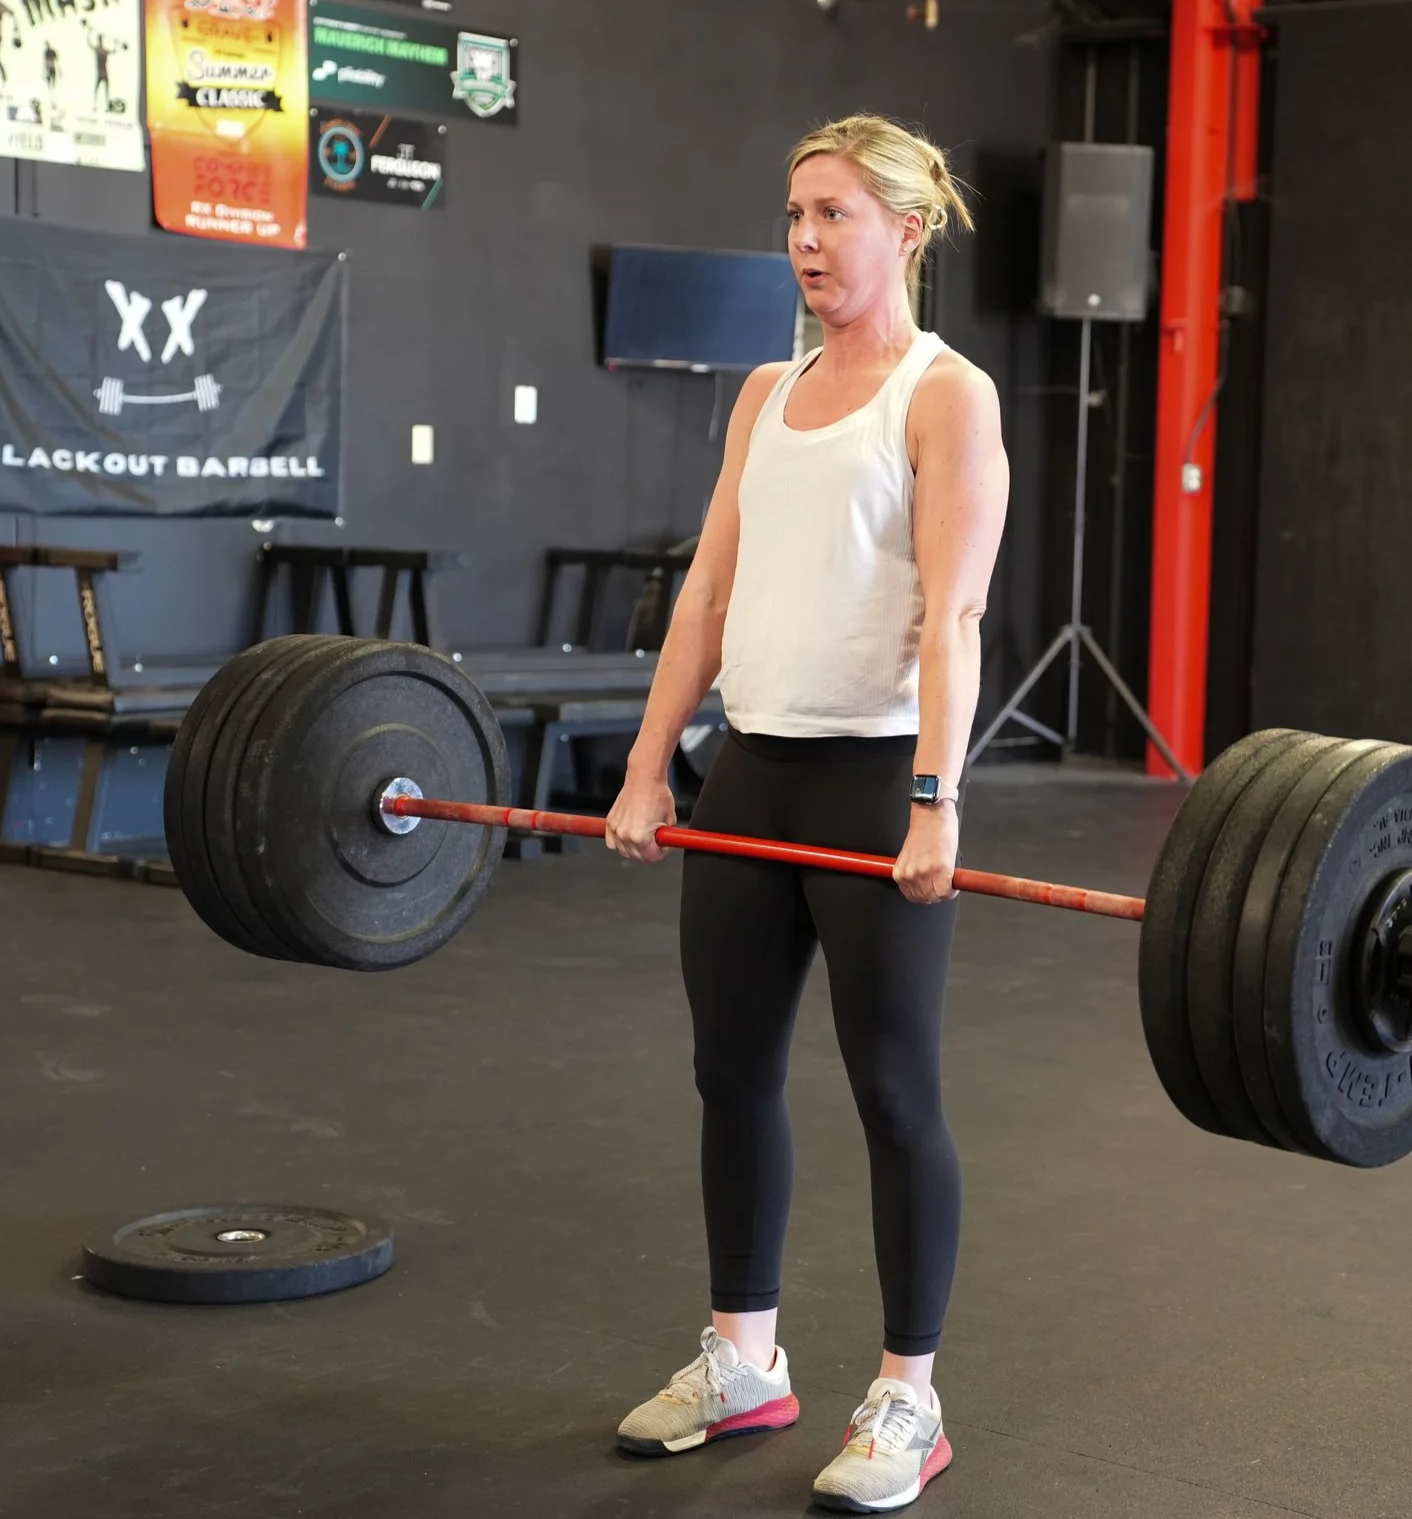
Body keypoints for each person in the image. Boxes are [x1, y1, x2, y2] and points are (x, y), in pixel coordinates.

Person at [604, 114, 1008, 1514]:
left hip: (869, 778)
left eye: (833, 214)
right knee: (731, 1072)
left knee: (894, 1093)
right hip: (750, 773)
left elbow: (952, 612)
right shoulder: (763, 394)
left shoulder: (944, 397)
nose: (803, 241)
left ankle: (908, 1393)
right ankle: (743, 1355)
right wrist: (654, 761)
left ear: (906, 229)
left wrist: (933, 799)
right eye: (793, 213)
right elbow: (706, 592)